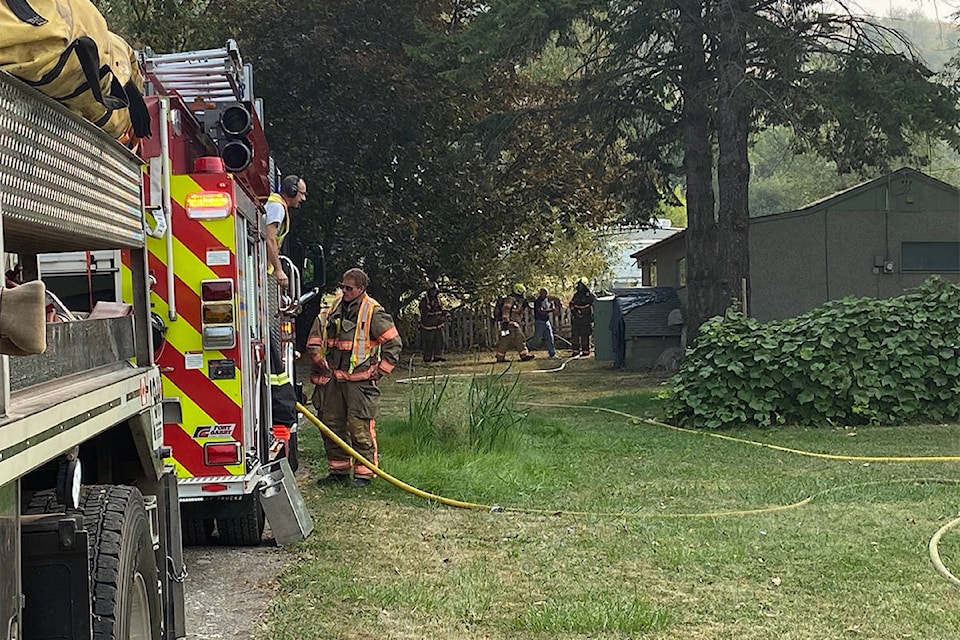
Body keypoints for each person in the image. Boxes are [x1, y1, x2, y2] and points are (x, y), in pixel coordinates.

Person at [306, 268, 403, 487]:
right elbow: (315, 336)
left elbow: (393, 343)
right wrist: (318, 358)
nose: (344, 291)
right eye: (343, 286)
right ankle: (338, 471)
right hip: (332, 379)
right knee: (331, 425)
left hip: (359, 383)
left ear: (361, 288)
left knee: (358, 426)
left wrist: (381, 370)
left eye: (349, 288)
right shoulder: (332, 308)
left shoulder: (373, 311)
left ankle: (364, 474)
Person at [264, 174, 307, 290]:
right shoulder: (277, 207)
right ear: (292, 191)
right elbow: (269, 239)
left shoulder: (277, 205)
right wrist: (279, 270)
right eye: (301, 193)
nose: (303, 199)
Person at [494, 283, 535, 363]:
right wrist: (506, 321)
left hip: (508, 324)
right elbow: (506, 309)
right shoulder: (510, 299)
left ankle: (500, 357)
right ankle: (524, 355)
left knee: (504, 339)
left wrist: (524, 305)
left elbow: (517, 311)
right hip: (511, 324)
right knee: (520, 338)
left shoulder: (516, 300)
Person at [419, 282, 448, 363]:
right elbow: (424, 313)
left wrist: (445, 314)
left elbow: (441, 310)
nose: (433, 292)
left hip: (438, 325)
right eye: (432, 291)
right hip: (428, 326)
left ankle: (438, 356)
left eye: (435, 291)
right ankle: (427, 357)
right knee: (429, 342)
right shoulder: (425, 301)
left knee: (440, 340)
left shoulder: (438, 300)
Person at [525, 287, 558, 359]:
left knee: (550, 337)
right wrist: (551, 310)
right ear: (541, 293)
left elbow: (550, 304)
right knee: (537, 339)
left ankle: (552, 353)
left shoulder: (546, 300)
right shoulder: (538, 301)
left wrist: (552, 305)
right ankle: (527, 348)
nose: (546, 295)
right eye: (544, 293)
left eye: (546, 293)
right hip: (539, 321)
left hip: (546, 321)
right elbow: (541, 311)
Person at [569, 277, 596, 357]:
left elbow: (593, 304)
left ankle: (586, 350)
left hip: (586, 319)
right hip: (576, 319)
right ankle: (575, 350)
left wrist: (582, 308)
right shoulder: (576, 295)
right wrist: (574, 309)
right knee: (575, 335)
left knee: (585, 335)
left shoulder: (589, 296)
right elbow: (572, 304)